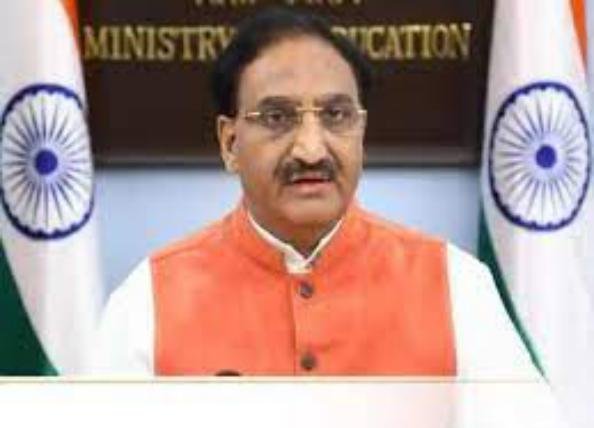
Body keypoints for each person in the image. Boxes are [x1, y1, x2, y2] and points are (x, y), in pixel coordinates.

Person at [92, 7, 539, 378]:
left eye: (336, 115)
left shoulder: (456, 286)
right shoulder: (147, 301)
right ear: (229, 144)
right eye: (277, 118)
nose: (311, 149)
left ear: (361, 131)